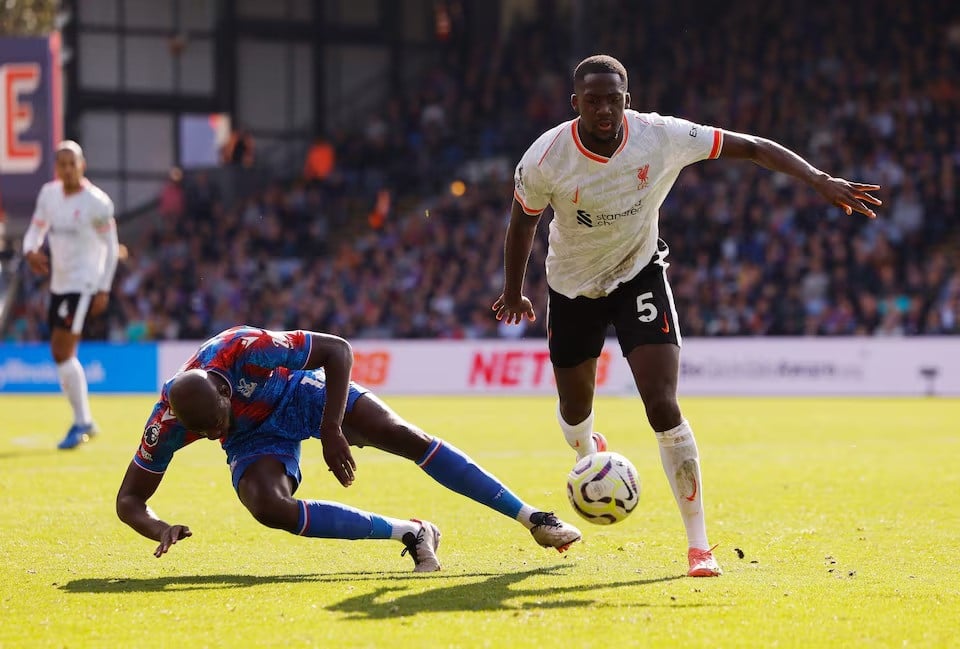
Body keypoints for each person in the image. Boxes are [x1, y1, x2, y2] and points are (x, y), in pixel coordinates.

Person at [492, 55, 881, 578]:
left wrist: (817, 179)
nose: (604, 109)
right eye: (593, 100)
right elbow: (522, 225)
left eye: (613, 99)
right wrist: (514, 292)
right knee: (574, 411)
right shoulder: (546, 157)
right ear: (575, 104)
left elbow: (752, 147)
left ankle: (699, 547)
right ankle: (589, 452)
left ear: (627, 99)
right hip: (572, 289)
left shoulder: (662, 135)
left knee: (662, 405)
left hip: (639, 276)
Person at [115, 326, 581, 571]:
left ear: (223, 392)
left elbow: (337, 350)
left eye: (218, 418)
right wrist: (157, 528)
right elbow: (129, 499)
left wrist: (332, 427)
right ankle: (410, 533)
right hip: (256, 438)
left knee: (404, 436)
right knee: (267, 506)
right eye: (205, 432)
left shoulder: (245, 349)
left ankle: (533, 518)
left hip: (300, 393)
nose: (215, 429)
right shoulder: (168, 422)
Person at [22, 140, 119, 449]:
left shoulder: (97, 202)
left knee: (62, 351)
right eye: (61, 164)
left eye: (71, 163)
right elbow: (36, 229)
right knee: (60, 354)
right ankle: (84, 420)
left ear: (82, 165)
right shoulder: (49, 195)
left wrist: (103, 287)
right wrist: (29, 250)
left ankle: (82, 422)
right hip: (59, 284)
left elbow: (112, 247)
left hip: (84, 284)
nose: (66, 169)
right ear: (56, 168)